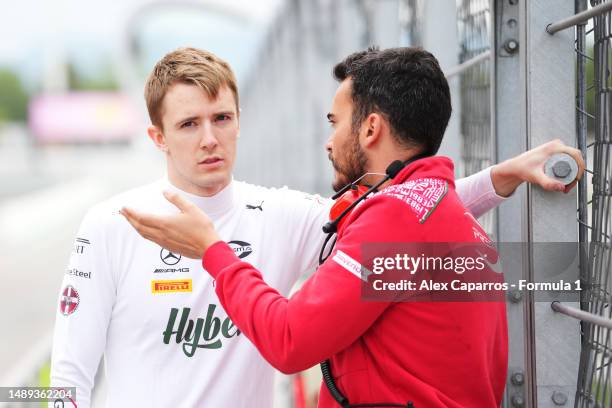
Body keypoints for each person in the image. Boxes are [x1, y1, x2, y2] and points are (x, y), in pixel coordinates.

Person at [51, 47, 582, 408]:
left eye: (222, 118)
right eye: (189, 124)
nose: (210, 138)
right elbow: (69, 375)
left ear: (239, 120)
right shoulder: (111, 224)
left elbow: (409, 217)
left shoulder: (281, 214)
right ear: (158, 136)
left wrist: (503, 175)